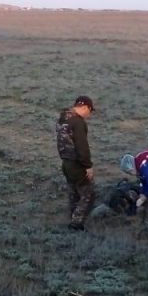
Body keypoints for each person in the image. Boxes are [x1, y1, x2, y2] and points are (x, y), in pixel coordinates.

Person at [56, 95, 96, 231]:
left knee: (73, 192)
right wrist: (88, 166)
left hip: (65, 163)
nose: (88, 115)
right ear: (85, 107)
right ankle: (76, 223)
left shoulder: (63, 119)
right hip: (76, 164)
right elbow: (82, 147)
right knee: (87, 194)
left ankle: (72, 216)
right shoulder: (78, 123)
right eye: (89, 112)